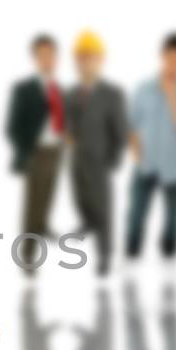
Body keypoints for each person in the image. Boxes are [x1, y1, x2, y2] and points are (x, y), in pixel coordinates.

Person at [125, 33, 176, 263]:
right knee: (135, 217)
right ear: (162, 56)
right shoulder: (143, 87)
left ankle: (169, 261)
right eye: (171, 60)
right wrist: (136, 149)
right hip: (146, 164)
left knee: (173, 223)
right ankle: (131, 256)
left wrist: (172, 94)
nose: (175, 66)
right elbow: (132, 123)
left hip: (175, 168)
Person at [64, 31, 129, 275]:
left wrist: (110, 160)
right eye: (81, 57)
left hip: (100, 161)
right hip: (78, 159)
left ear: (100, 60)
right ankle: (87, 222)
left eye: (91, 57)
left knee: (104, 210)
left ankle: (105, 254)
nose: (85, 62)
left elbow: (120, 132)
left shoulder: (111, 95)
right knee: (81, 196)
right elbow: (70, 123)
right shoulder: (72, 93)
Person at [5, 34, 65, 270]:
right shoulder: (26, 89)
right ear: (36, 58)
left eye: (51, 55)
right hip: (36, 153)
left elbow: (61, 116)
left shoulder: (57, 87)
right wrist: (25, 151)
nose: (48, 59)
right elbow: (13, 125)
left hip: (55, 149)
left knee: (48, 195)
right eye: (43, 55)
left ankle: (43, 226)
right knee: (33, 203)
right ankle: (28, 255)